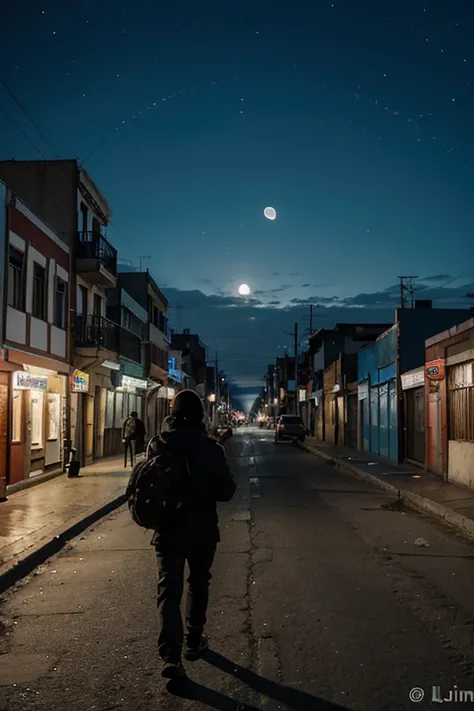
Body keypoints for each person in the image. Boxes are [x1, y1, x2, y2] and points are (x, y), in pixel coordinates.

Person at [150, 389, 236, 679]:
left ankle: (171, 657)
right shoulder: (210, 447)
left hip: (167, 529)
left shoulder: (158, 444)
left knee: (169, 590)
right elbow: (227, 492)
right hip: (201, 529)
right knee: (198, 582)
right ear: (200, 415)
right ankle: (193, 640)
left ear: (172, 413)